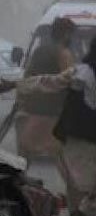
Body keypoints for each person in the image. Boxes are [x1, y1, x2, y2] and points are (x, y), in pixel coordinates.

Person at [7, 34, 96, 216]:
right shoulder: (85, 74)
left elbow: (48, 83)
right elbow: (49, 83)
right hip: (87, 139)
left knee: (83, 184)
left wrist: (16, 85)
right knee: (92, 184)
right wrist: (17, 85)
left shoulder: (85, 72)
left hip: (86, 138)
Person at [16, 17, 76, 158]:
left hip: (32, 109)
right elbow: (68, 82)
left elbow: (27, 77)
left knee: (25, 154)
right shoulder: (63, 53)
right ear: (66, 34)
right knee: (60, 155)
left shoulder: (39, 51)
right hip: (53, 114)